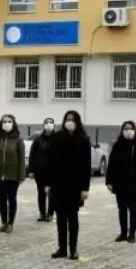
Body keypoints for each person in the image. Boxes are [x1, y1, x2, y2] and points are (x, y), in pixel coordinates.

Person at [48, 110, 91, 260]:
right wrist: (48, 184)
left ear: (77, 121)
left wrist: (85, 188)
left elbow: (86, 166)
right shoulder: (57, 138)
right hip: (59, 185)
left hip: (76, 186)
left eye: (72, 119)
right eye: (67, 119)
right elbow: (51, 163)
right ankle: (62, 248)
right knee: (60, 218)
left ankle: (73, 249)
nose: (69, 122)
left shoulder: (83, 140)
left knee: (73, 218)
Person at [105, 120, 136, 243]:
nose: (128, 131)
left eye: (131, 128)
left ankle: (132, 234)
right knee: (122, 209)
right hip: (120, 183)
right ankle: (123, 232)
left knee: (133, 208)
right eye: (126, 129)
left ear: (135, 130)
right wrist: (109, 181)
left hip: (135, 183)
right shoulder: (118, 145)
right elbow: (112, 164)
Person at [0, 113, 26, 232]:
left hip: (13, 175)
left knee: (11, 198)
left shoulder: (18, 140)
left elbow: (21, 158)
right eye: (4, 122)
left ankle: (11, 223)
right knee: (2, 199)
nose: (6, 124)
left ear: (13, 124)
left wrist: (21, 174)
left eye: (9, 122)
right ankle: (4, 223)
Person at [29, 117, 56, 221]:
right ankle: (42, 213)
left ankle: (50, 214)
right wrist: (31, 170)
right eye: (47, 123)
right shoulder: (38, 140)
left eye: (51, 123)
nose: (49, 125)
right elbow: (32, 155)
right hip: (40, 171)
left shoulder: (57, 139)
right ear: (43, 125)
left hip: (53, 172)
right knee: (41, 193)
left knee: (52, 193)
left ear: (54, 125)